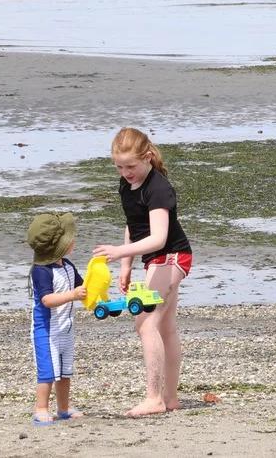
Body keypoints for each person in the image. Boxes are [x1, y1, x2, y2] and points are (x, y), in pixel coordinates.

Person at [94, 127, 193, 417]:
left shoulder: (158, 188)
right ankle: (170, 397)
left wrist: (119, 252)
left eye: (131, 166)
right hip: (156, 260)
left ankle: (154, 398)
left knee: (145, 324)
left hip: (172, 257)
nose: (126, 173)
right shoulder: (127, 185)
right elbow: (134, 226)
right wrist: (126, 266)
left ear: (147, 157)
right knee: (165, 328)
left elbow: (159, 238)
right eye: (119, 167)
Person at [27, 212, 87, 427]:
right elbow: (47, 300)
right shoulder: (42, 271)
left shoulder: (68, 266)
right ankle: (41, 408)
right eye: (69, 239)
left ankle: (63, 407)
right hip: (46, 330)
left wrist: (98, 299)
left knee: (65, 371)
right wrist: (72, 295)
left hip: (66, 329)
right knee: (47, 372)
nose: (73, 241)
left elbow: (82, 288)